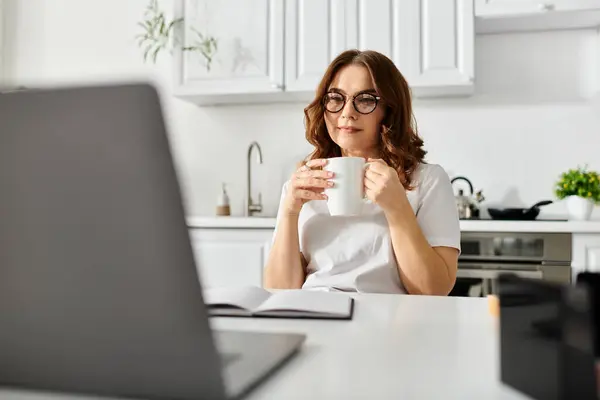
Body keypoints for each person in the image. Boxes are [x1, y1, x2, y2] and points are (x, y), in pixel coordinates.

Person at [263, 49, 461, 295]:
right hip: (313, 316)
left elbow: (433, 291)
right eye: (336, 98)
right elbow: (278, 291)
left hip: (385, 323)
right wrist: (289, 210)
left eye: (365, 99)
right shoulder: (304, 183)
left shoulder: (427, 180)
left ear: (389, 110)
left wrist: (397, 208)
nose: (347, 112)